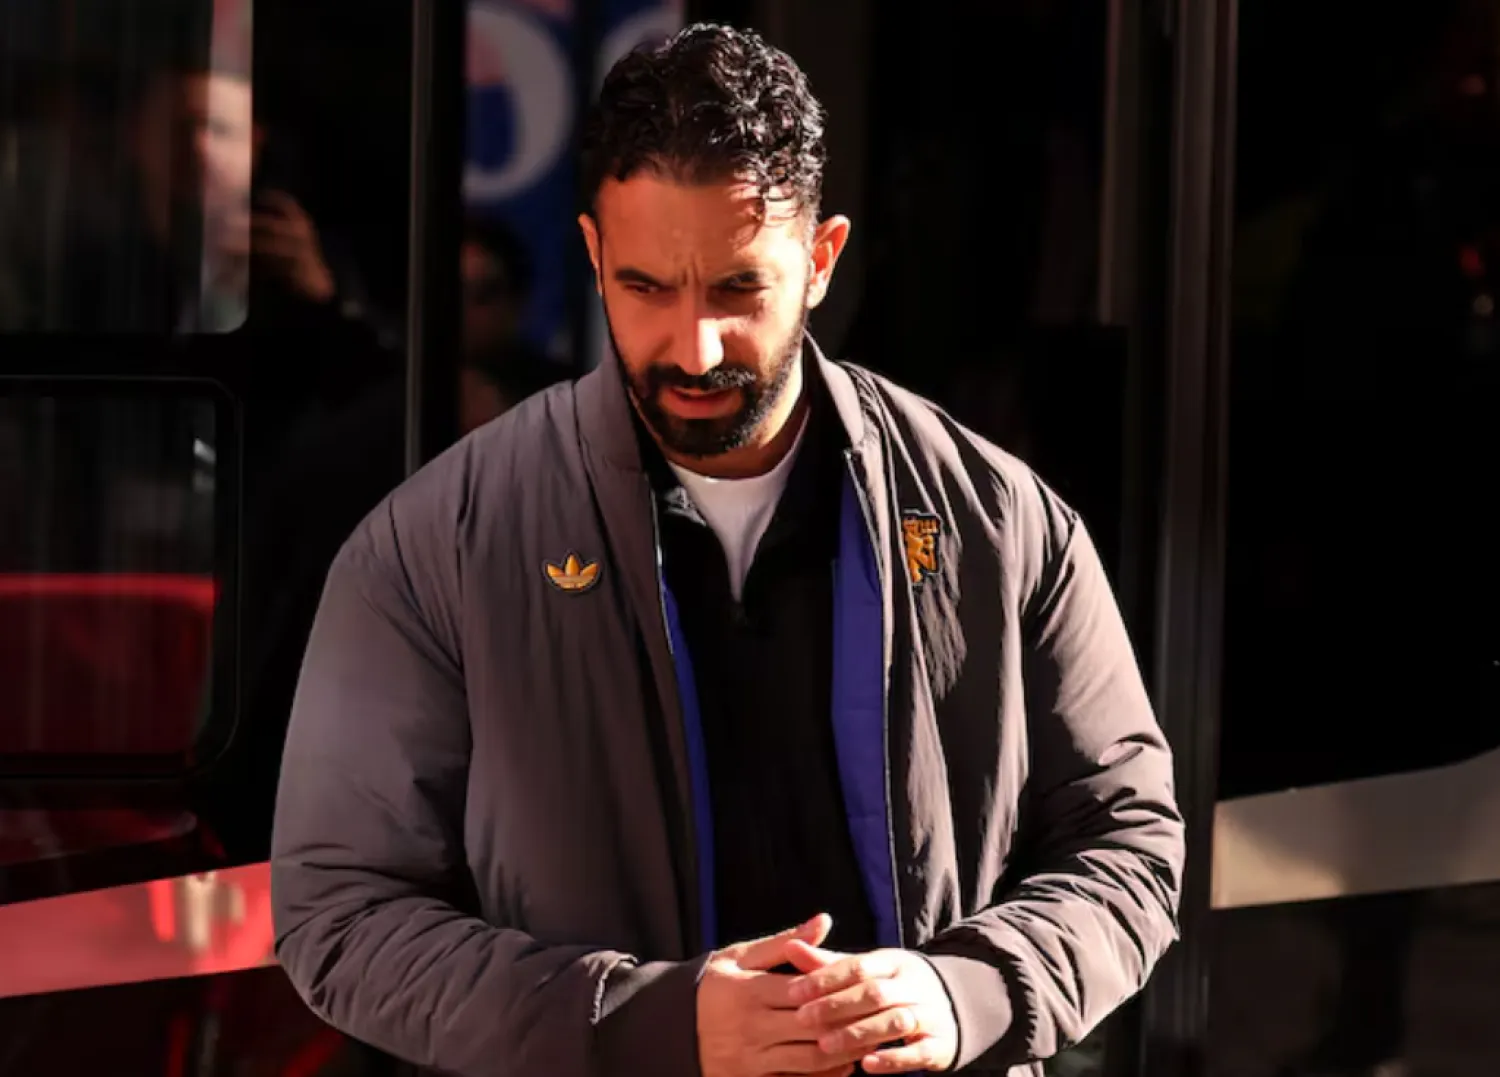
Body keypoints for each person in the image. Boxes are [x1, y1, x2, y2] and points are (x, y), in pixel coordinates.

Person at [270, 23, 1184, 1077]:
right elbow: (340, 918)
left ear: (824, 259)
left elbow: (1130, 848)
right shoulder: (434, 545)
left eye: (738, 291)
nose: (693, 347)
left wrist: (963, 992)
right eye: (647, 288)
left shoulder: (1000, 519)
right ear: (592, 257)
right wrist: (650, 1023)